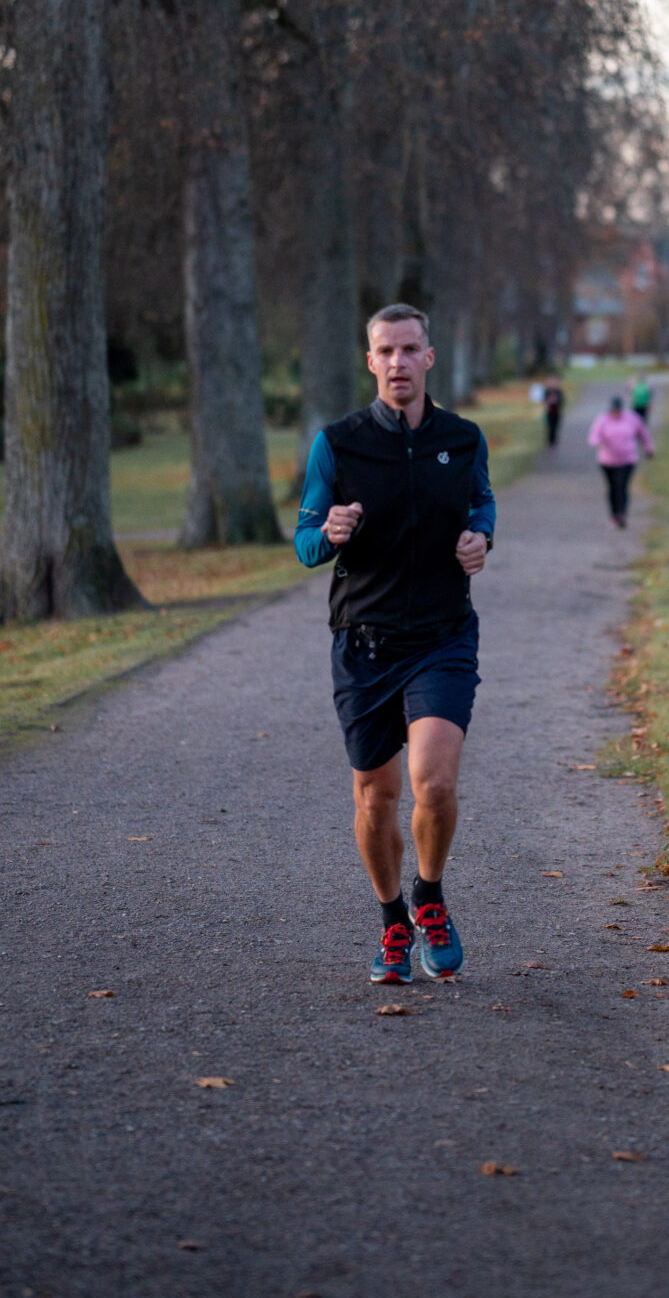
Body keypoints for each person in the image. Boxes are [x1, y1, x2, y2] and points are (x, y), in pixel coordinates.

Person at [294, 304, 495, 987]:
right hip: (364, 643)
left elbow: (482, 503)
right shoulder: (338, 443)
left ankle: (429, 897)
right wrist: (331, 532)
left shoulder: (462, 439)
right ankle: (391, 920)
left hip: (442, 635)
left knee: (433, 782)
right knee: (375, 797)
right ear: (370, 361)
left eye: (410, 349)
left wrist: (481, 536)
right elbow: (305, 543)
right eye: (386, 351)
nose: (398, 362)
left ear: (429, 357)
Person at [587, 393, 653, 529]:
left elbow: (643, 433)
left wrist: (649, 448)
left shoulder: (632, 419)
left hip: (627, 460)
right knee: (612, 487)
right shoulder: (602, 420)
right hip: (607, 461)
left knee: (622, 485)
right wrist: (597, 442)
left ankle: (621, 514)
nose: (616, 413)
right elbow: (593, 436)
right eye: (613, 410)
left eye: (618, 410)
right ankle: (614, 515)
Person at [543, 374, 565, 447]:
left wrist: (556, 400)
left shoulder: (558, 391)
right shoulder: (547, 391)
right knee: (549, 426)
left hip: (556, 412)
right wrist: (548, 402)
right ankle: (550, 440)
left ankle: (554, 440)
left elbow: (562, 401)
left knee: (555, 426)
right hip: (549, 412)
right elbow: (544, 400)